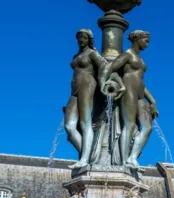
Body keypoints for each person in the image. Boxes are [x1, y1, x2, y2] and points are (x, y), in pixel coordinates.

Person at [98, 30, 158, 171]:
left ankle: (132, 157)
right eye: (146, 41)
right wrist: (107, 83)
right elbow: (110, 68)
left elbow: (141, 82)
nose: (147, 45)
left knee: (148, 128)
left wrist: (153, 101)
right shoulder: (127, 55)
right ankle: (125, 161)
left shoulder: (140, 59)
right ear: (137, 39)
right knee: (129, 125)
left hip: (139, 95)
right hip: (129, 92)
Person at [64, 29, 105, 168]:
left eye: (83, 38)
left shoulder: (92, 53)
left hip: (87, 86)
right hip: (74, 90)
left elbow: (104, 66)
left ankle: (84, 159)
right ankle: (88, 155)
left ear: (89, 40)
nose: (81, 40)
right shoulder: (77, 55)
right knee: (69, 126)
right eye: (79, 38)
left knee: (84, 122)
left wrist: (103, 82)